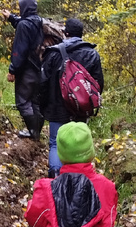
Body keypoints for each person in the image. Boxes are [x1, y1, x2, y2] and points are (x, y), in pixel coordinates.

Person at [38, 16, 104, 177]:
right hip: (81, 107)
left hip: (56, 107)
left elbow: (43, 83)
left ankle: (56, 177)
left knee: (55, 143)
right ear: (81, 34)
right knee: (79, 143)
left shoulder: (53, 53)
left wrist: (42, 105)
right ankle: (80, 178)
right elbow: (98, 84)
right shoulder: (92, 54)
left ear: (65, 32)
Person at [3, 0, 44, 140]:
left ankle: (33, 133)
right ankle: (37, 131)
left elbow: (19, 51)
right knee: (35, 101)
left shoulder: (24, 25)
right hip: (39, 68)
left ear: (24, 7)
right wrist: (11, 17)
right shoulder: (39, 21)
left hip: (26, 70)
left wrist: (12, 70)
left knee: (22, 102)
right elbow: (24, 24)